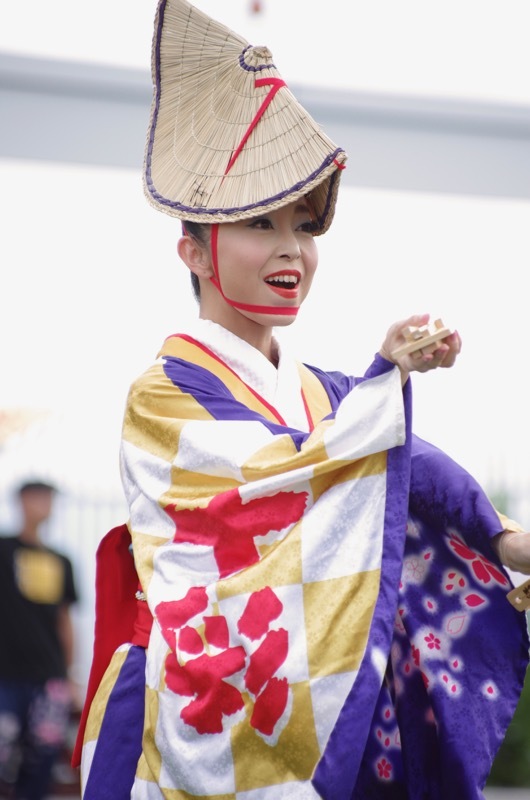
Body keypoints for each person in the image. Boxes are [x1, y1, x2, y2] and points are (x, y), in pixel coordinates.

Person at [73, 1, 530, 798]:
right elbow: (276, 472)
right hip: (180, 708)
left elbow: (405, 461)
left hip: (299, 711)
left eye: (304, 225)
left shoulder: (322, 392)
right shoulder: (164, 395)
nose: (291, 248)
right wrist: (382, 382)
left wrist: (503, 539)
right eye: (260, 222)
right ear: (193, 248)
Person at [0, 480, 78, 800]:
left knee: (43, 757)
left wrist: (69, 675)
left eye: (48, 498)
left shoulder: (62, 560)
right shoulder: (4, 549)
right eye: (37, 497)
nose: (44, 504)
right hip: (5, 674)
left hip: (49, 676)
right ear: (21, 501)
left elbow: (64, 620)